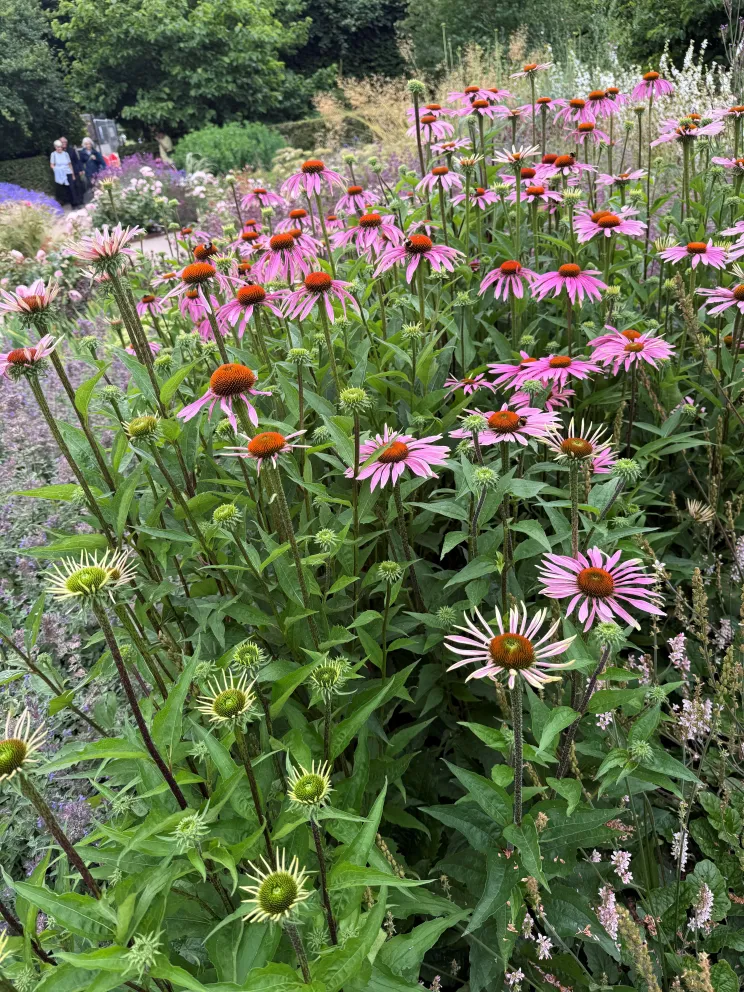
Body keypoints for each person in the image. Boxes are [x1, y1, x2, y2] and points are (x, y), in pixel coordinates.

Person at [60, 136, 83, 207]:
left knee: (78, 186)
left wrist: (80, 169)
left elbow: (77, 160)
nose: (64, 143)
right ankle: (73, 203)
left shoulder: (71, 150)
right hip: (66, 173)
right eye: (62, 142)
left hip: (75, 171)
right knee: (70, 188)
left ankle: (80, 202)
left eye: (65, 142)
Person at [50, 140, 72, 204]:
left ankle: (70, 201)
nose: (59, 148)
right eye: (57, 147)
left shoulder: (65, 154)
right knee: (60, 188)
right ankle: (62, 202)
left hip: (67, 172)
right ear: (55, 147)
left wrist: (72, 172)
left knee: (69, 187)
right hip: (59, 173)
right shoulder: (53, 154)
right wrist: (56, 170)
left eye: (60, 147)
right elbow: (52, 165)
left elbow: (69, 164)